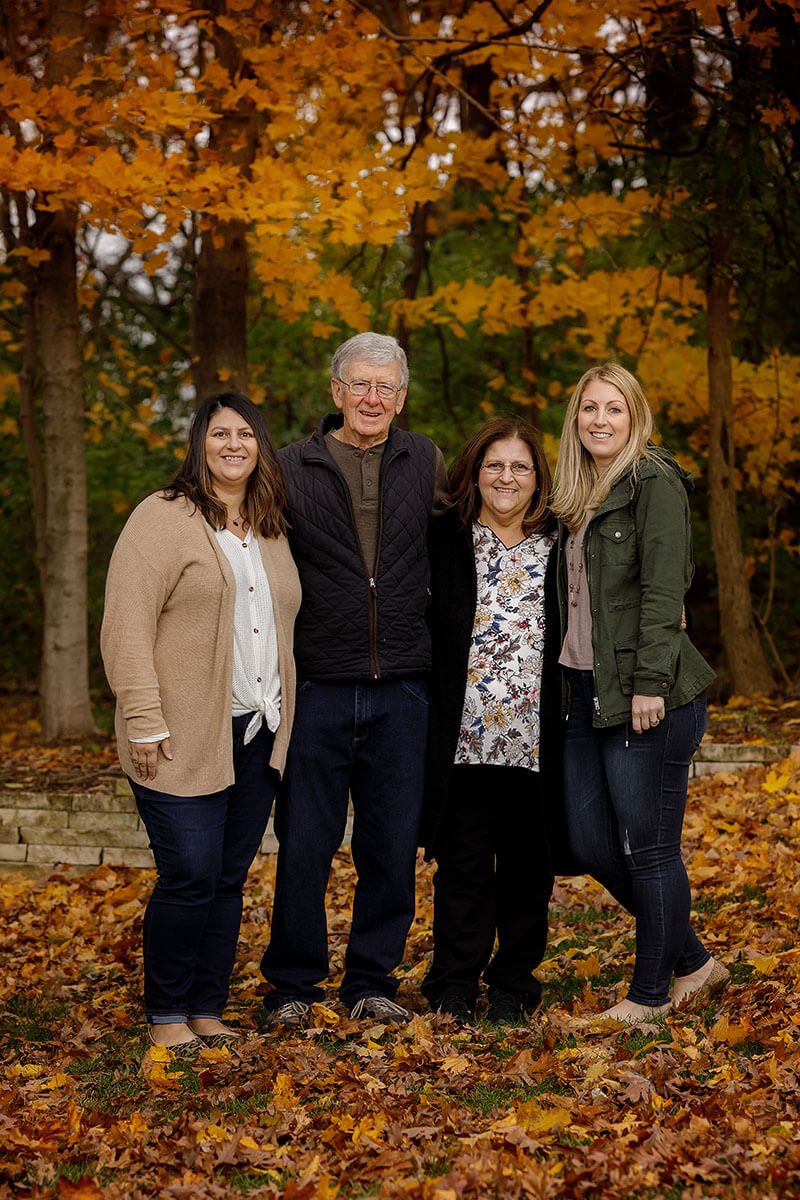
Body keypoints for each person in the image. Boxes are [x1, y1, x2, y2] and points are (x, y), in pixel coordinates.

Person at [101, 392, 301, 1052]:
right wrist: (143, 719)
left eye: (246, 434)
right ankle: (166, 1016)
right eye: (221, 433)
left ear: (260, 446)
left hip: (257, 730)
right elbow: (125, 627)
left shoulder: (269, 524)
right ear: (200, 443)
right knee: (188, 870)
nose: (234, 444)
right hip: (177, 733)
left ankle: (206, 1008)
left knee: (226, 876)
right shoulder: (162, 518)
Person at [260, 331, 446, 1029]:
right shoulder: (287, 466)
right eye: (361, 385)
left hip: (405, 685)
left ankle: (372, 981)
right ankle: (292, 988)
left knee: (391, 845)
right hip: (318, 684)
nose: (373, 398)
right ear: (336, 392)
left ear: (401, 399)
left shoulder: (424, 459)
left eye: (386, 388)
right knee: (305, 842)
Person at [551, 362, 728, 1026]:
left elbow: (663, 592)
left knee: (650, 847)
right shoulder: (578, 492)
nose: (600, 419)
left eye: (614, 409)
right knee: (590, 843)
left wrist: (651, 683)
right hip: (584, 693)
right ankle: (696, 963)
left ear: (636, 417)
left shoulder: (653, 482)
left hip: (647, 694)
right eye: (589, 408)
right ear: (576, 417)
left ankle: (649, 995)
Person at [420, 418, 562, 1025]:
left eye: (520, 467)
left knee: (529, 871)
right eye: (495, 465)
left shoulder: (562, 542)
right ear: (475, 473)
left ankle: (513, 985)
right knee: (463, 870)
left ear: (538, 478)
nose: (507, 477)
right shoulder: (443, 538)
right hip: (462, 738)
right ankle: (453, 983)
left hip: (537, 738)